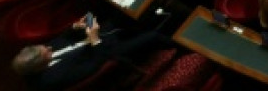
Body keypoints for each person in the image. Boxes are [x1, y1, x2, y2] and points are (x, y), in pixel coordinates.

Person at [12, 15, 170, 91]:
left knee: (122, 14)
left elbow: (62, 39)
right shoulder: (55, 78)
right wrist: (94, 39)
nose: (50, 48)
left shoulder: (41, 52)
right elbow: (95, 66)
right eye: (46, 52)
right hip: (107, 53)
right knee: (152, 37)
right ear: (41, 66)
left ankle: (160, 17)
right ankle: (177, 41)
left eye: (44, 46)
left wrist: (75, 28)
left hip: (92, 38)